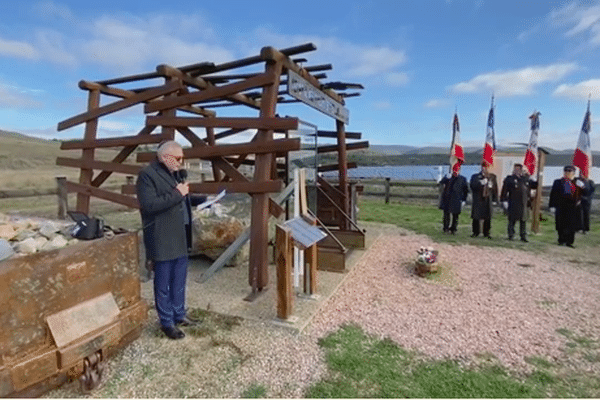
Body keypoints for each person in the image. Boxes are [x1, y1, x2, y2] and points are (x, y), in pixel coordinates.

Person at [136, 141, 205, 340]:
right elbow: (149, 205)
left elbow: (181, 199)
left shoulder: (174, 175)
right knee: (164, 281)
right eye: (177, 158)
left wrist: (203, 200)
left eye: (182, 158)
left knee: (179, 278)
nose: (181, 162)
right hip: (162, 236)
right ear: (164, 156)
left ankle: (179, 314)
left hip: (179, 234)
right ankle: (166, 322)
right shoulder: (148, 175)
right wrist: (178, 193)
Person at [500, 163, 538, 242]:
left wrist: (535, 177)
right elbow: (504, 190)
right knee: (512, 220)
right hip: (513, 202)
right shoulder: (509, 179)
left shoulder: (525, 179)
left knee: (523, 220)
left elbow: (535, 185)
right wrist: (504, 200)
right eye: (516, 169)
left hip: (523, 203)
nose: (518, 171)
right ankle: (511, 235)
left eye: (519, 169)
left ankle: (523, 236)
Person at [549, 165, 581, 248]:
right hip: (561, 205)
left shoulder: (577, 182)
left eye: (570, 172)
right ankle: (561, 240)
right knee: (561, 223)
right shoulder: (558, 182)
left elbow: (585, 193)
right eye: (566, 172)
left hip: (572, 207)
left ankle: (569, 242)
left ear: (573, 173)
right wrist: (552, 205)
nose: (568, 173)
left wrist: (582, 186)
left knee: (571, 224)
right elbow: (553, 194)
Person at [470, 162, 498, 238]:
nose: (485, 168)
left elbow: (495, 189)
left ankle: (487, 233)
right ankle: (475, 232)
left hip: (488, 199)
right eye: (483, 167)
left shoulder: (492, 177)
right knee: (476, 216)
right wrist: (480, 183)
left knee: (487, 216)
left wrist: (495, 199)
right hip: (478, 199)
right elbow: (472, 186)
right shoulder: (475, 176)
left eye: (487, 167)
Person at [438, 168, 469, 234]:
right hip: (447, 198)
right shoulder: (448, 178)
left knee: (455, 216)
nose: (456, 171)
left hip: (457, 199)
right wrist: (446, 178)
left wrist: (464, 200)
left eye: (457, 170)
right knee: (446, 214)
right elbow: (441, 183)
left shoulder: (463, 179)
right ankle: (445, 228)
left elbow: (466, 190)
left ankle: (453, 229)